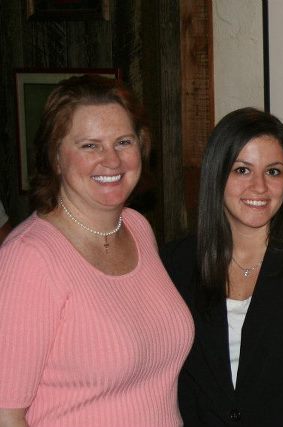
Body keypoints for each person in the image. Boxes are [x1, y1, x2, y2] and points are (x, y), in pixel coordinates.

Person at [0, 75, 194, 426]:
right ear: (56, 157)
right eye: (90, 145)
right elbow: (6, 414)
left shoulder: (136, 227)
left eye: (123, 141)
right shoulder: (30, 258)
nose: (112, 160)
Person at [161, 107, 283, 426]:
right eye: (242, 170)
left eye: (274, 171)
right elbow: (178, 383)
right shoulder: (176, 263)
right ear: (217, 174)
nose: (260, 187)